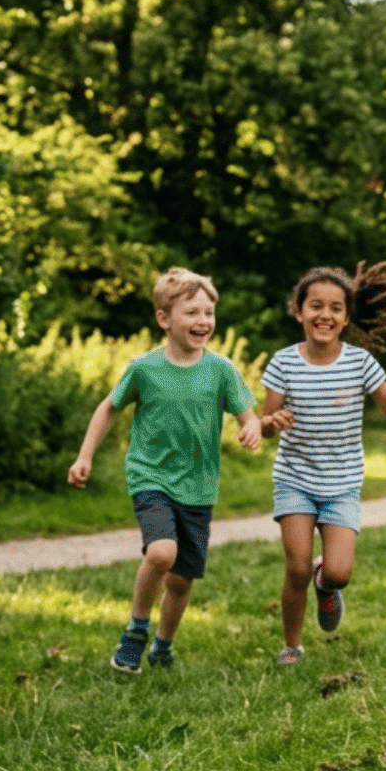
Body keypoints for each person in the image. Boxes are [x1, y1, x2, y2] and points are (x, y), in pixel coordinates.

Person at [68, 267, 261, 673]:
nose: (203, 321)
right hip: (150, 476)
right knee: (161, 552)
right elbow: (109, 407)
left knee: (180, 580)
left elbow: (248, 413)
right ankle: (136, 630)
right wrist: (85, 456)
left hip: (199, 486)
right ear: (164, 319)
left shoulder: (222, 369)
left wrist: (251, 427)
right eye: (191, 313)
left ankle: (163, 645)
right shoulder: (144, 368)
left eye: (208, 312)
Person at [258, 264, 386, 666]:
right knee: (295, 567)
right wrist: (270, 424)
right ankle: (292, 645)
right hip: (294, 478)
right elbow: (264, 426)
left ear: (346, 317)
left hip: (343, 482)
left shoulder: (360, 363)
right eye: (315, 306)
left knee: (339, 571)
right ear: (298, 311)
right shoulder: (283, 363)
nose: (324, 315)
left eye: (334, 308)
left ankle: (326, 586)